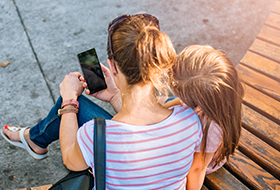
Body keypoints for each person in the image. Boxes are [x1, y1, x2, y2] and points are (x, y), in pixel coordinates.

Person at [1, 14, 202, 189]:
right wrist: (114, 96)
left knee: (77, 106)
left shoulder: (97, 136)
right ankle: (34, 139)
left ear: (112, 67)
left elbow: (70, 160)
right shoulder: (190, 120)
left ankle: (34, 139)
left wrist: (69, 100)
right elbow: (145, 132)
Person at [164, 45, 244, 189]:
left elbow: (197, 168)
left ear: (198, 107)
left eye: (182, 97)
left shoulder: (210, 128)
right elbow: (178, 100)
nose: (180, 100)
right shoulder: (223, 92)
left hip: (200, 162)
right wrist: (162, 107)